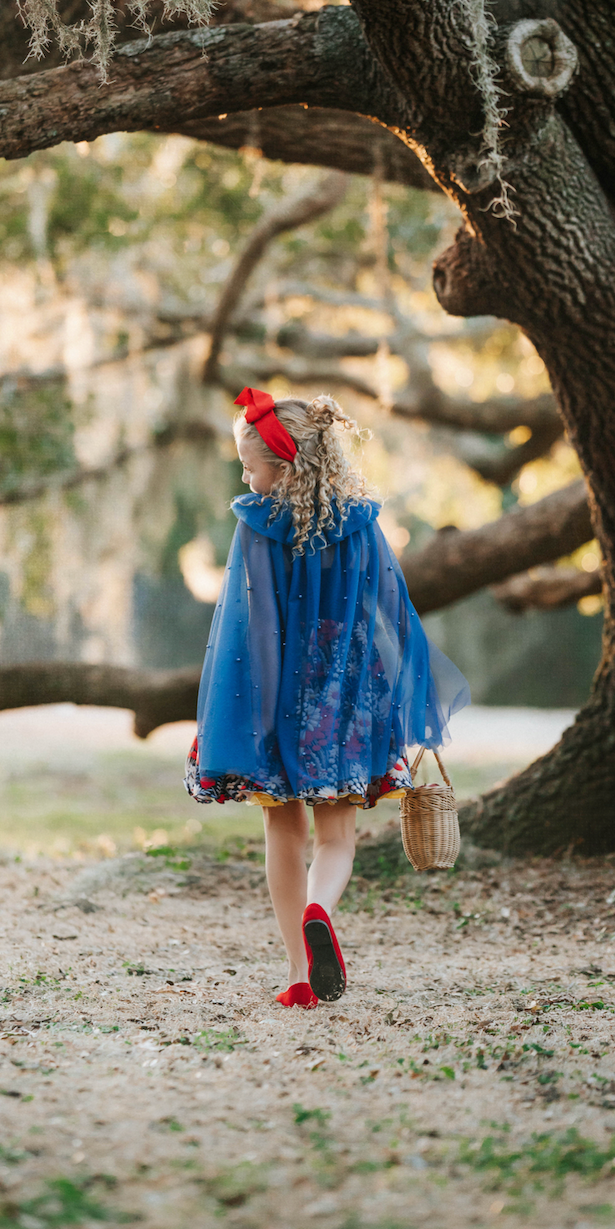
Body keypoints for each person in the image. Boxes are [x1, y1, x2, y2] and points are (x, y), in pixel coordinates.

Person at [186, 387, 469, 1009]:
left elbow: (245, 627)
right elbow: (394, 616)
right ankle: (322, 906)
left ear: (283, 466)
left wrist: (237, 712)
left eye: (249, 464)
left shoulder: (255, 527)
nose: (244, 474)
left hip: (275, 700)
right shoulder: (362, 524)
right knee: (336, 838)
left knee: (281, 831)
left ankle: (297, 974)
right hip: (344, 704)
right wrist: (398, 696)